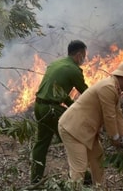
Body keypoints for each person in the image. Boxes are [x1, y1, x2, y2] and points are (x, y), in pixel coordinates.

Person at [57, 61, 123, 189]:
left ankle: (100, 188)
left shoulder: (114, 88)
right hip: (73, 128)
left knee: (98, 159)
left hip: (87, 130)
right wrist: (114, 138)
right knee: (79, 167)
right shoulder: (107, 87)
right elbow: (110, 116)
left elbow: (118, 114)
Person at [30, 40, 89, 184]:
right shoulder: (74, 70)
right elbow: (87, 93)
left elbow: (60, 92)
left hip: (39, 106)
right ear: (79, 54)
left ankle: (35, 180)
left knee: (42, 143)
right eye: (84, 55)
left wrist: (71, 105)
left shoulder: (57, 63)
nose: (84, 59)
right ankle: (83, 177)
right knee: (72, 140)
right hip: (52, 110)